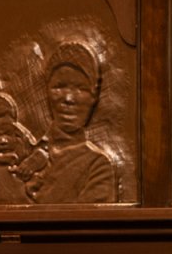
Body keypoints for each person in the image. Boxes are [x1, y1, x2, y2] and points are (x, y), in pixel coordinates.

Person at [33, 40, 118, 203]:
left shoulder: (97, 166)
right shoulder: (24, 150)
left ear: (94, 97)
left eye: (80, 88)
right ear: (46, 91)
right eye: (59, 87)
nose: (68, 98)